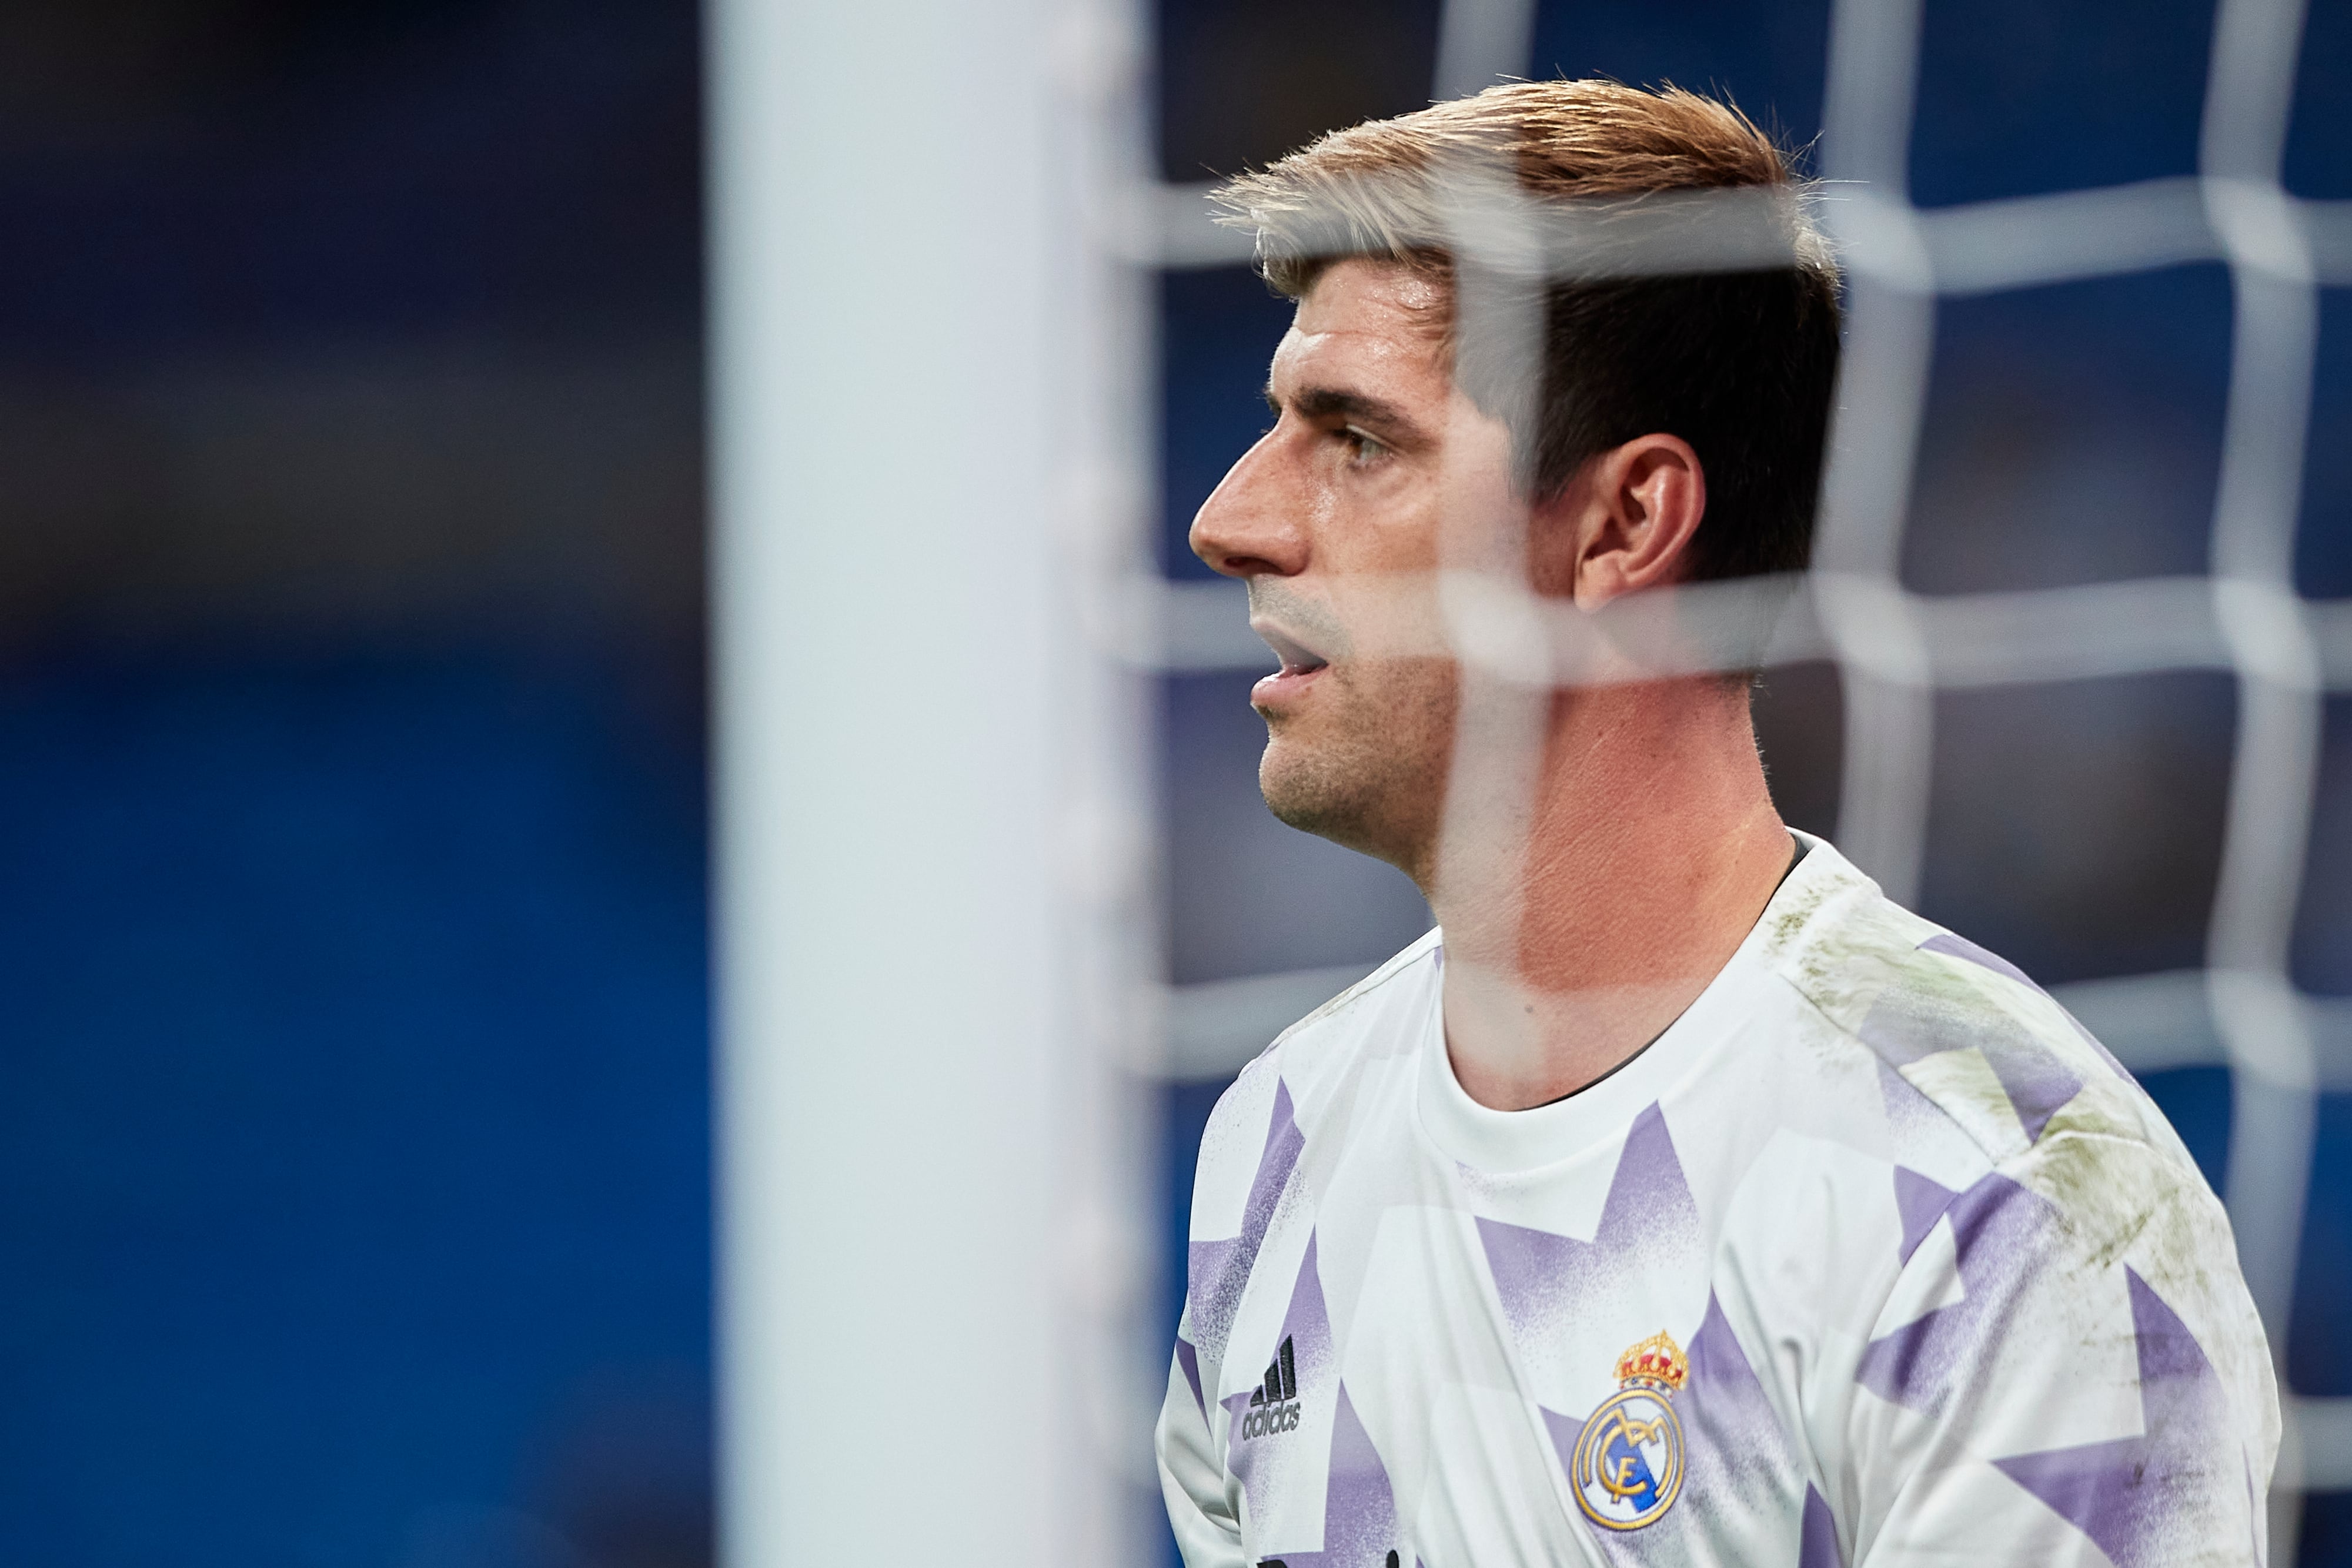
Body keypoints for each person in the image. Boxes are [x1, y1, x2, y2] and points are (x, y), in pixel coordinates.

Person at [1155, 80, 2277, 1567]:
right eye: (1274, 424)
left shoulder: (2000, 1197)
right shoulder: (1279, 1144)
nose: (1230, 519)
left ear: (1623, 525)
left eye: (1354, 438)